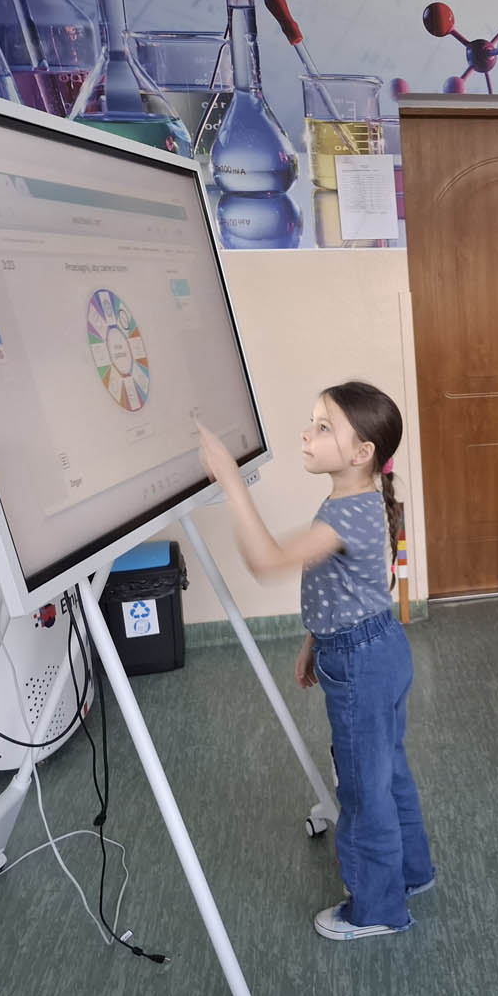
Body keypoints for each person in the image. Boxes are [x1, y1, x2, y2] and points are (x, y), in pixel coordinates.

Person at [199, 381, 434, 941]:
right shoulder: (360, 498)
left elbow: (267, 561)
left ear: (362, 453)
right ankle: (412, 872)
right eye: (312, 422)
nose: (306, 434)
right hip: (377, 647)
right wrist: (314, 640)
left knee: (362, 790)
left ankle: (378, 909)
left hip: (361, 665)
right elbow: (350, 588)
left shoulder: (347, 514)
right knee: (387, 771)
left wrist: (230, 480)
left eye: (324, 427)